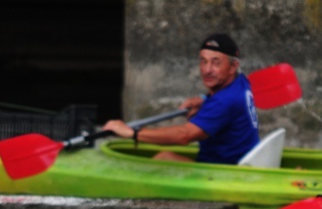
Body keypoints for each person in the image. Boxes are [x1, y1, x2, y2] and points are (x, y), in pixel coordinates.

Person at [103, 33, 259, 164]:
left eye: (215, 63)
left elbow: (184, 136)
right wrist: (204, 99)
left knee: (164, 158)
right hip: (239, 161)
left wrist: (132, 133)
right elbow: (225, 101)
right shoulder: (242, 82)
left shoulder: (223, 102)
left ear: (233, 66)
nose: (207, 70)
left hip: (224, 173)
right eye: (203, 61)